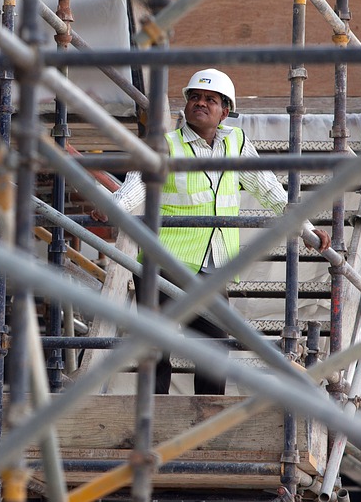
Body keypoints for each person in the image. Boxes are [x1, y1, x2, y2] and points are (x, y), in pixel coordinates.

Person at [93, 68, 331, 395]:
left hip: (213, 267)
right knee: (154, 349)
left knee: (214, 350)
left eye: (209, 99)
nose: (200, 103)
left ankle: (204, 425)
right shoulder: (165, 146)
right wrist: (111, 207)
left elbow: (269, 191)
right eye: (194, 97)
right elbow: (135, 190)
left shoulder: (236, 142)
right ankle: (150, 425)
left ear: (225, 111)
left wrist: (306, 228)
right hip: (162, 264)